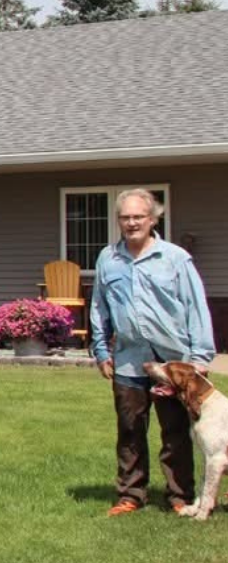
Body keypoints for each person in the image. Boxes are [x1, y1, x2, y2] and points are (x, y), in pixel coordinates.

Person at [90, 189, 214, 518]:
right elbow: (98, 308)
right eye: (125, 217)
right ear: (118, 221)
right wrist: (101, 350)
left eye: (138, 217)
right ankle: (131, 494)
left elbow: (195, 308)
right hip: (128, 360)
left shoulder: (175, 259)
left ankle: (179, 495)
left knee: (175, 431)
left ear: (153, 219)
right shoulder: (108, 259)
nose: (132, 223)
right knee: (130, 429)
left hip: (173, 362)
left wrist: (200, 358)